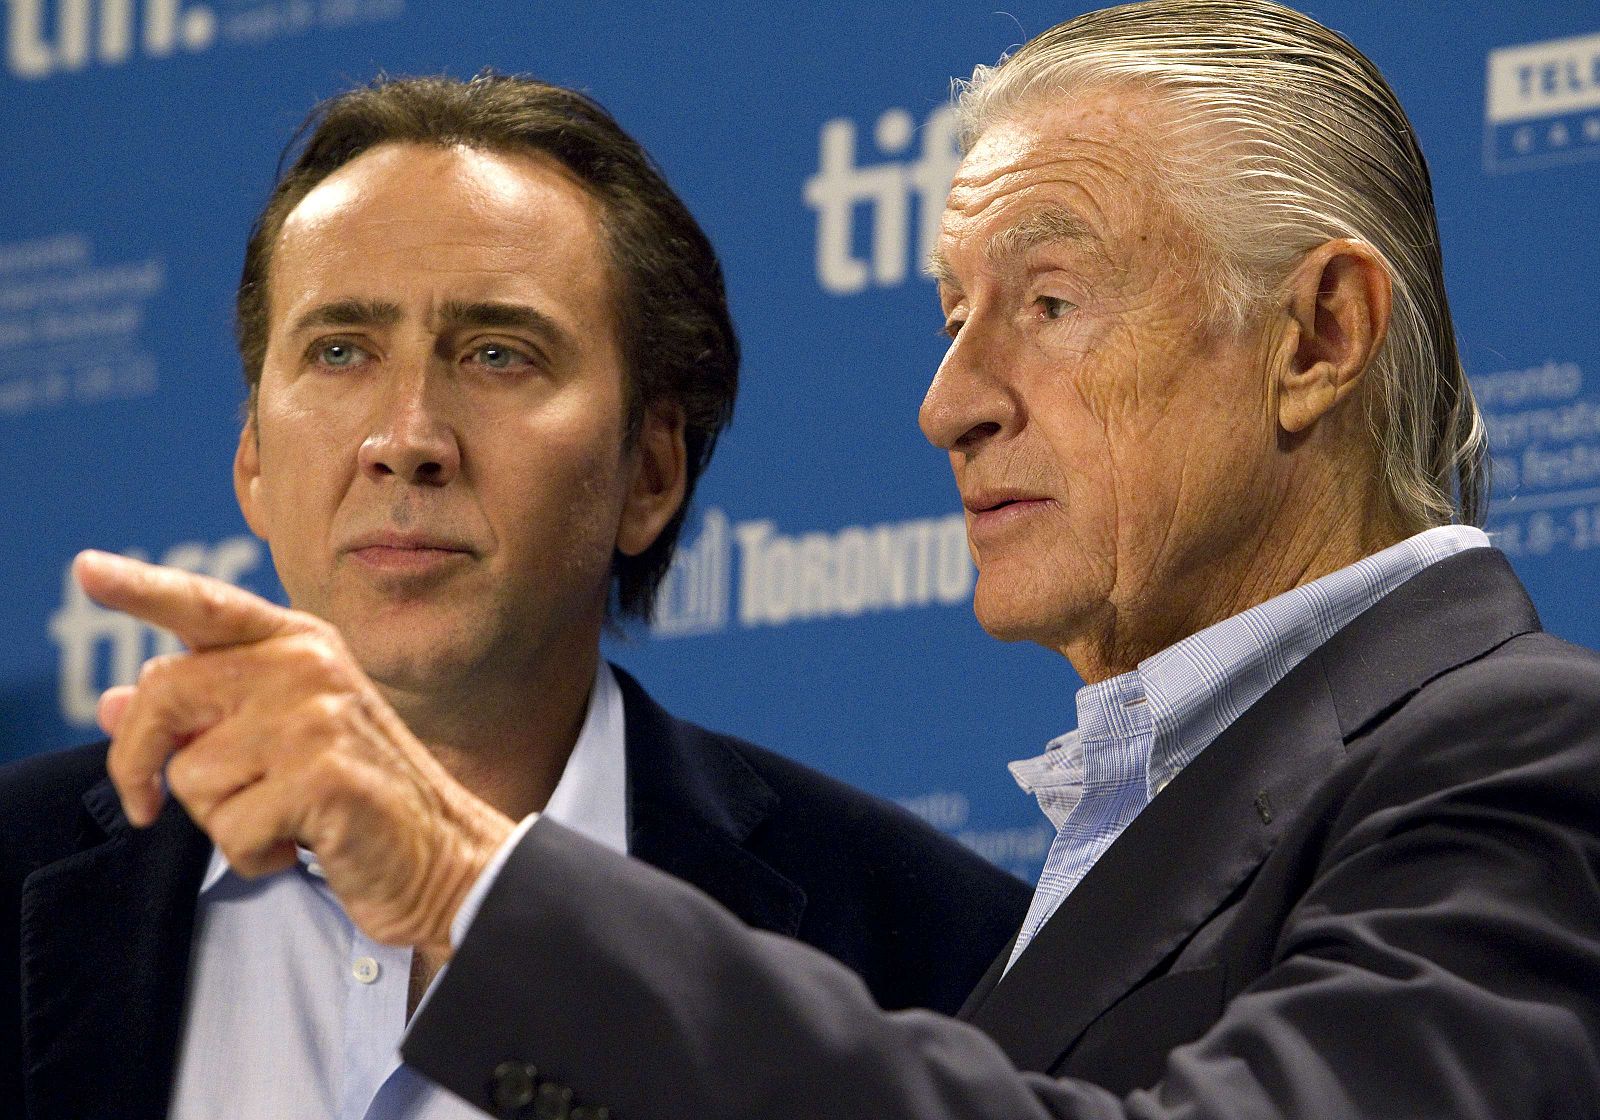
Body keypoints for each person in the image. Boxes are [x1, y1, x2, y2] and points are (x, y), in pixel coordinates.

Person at [29, 0, 1600, 1115]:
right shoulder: (1132, 839)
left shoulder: (1529, 756)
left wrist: (457, 884)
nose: (947, 404)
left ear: (1318, 337)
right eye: (951, 318)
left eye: (1047, 303)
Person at [0, 75, 1032, 1120]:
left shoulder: (927, 947)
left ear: (651, 473)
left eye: (498, 354)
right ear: (253, 462)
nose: (405, 440)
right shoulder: (19, 864)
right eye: (340, 351)